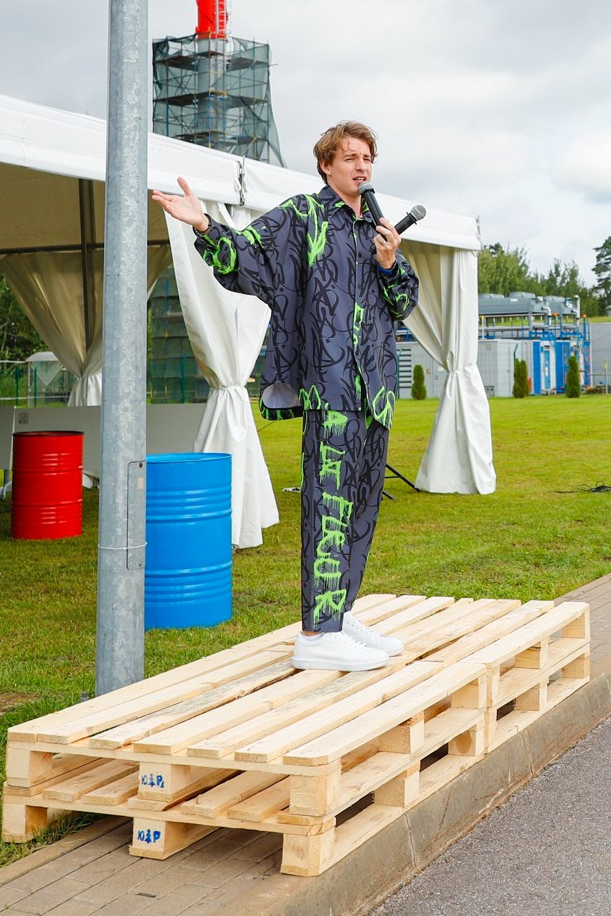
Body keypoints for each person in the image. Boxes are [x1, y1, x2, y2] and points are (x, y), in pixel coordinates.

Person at [153, 120, 419, 673]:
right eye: (350, 157)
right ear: (326, 164)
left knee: (363, 508)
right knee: (328, 505)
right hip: (331, 388)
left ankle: (340, 614)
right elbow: (249, 258)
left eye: (368, 158)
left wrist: (391, 263)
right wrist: (204, 223)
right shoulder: (304, 217)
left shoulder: (376, 228)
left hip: (375, 393)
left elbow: (404, 304)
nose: (361, 167)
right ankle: (317, 633)